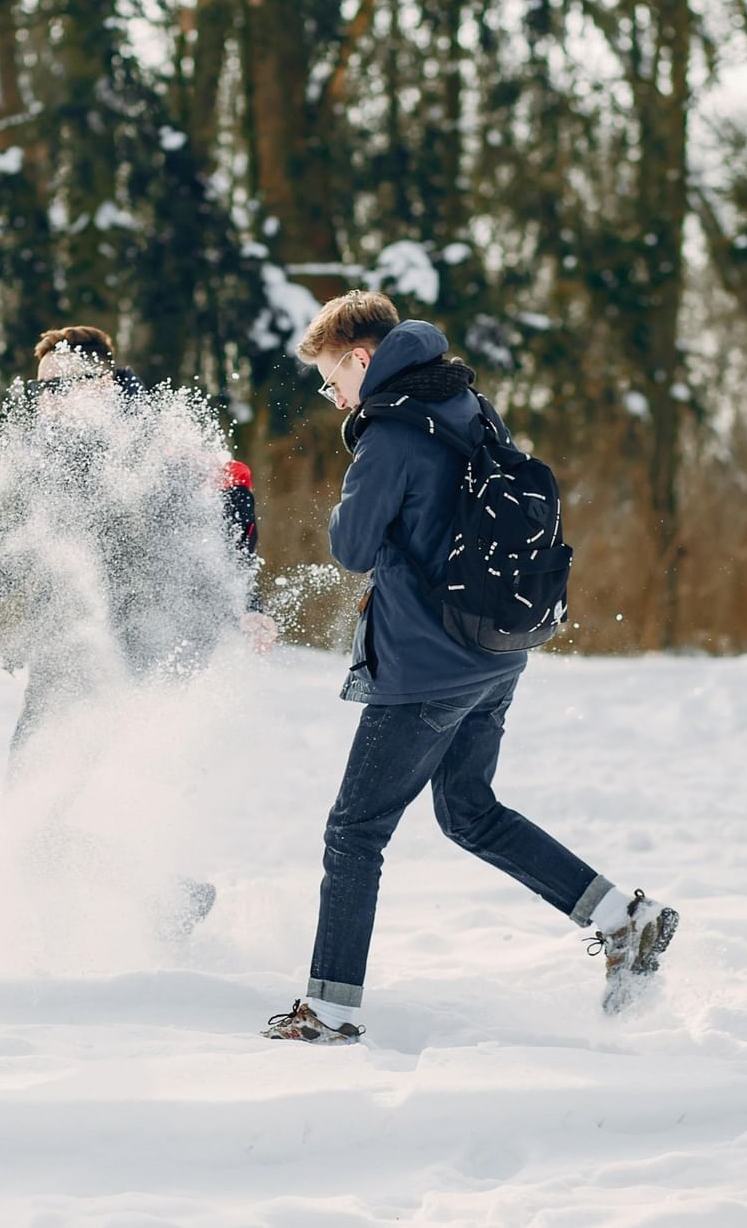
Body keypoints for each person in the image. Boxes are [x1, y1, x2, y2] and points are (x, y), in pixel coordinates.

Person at [262, 292, 677, 1044]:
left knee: (354, 834)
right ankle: (624, 917)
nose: (334, 400)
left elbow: (351, 547)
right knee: (469, 810)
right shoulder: (465, 403)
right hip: (493, 653)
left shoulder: (388, 433)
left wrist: (356, 487)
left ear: (360, 358)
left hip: (426, 669)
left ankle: (329, 1011)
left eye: (331, 381)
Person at [0, 326, 275, 768]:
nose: (47, 399)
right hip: (62, 646)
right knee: (32, 777)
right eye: (41, 387)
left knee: (111, 785)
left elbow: (219, 519)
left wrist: (247, 605)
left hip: (144, 649)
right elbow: (10, 566)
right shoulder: (50, 464)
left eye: (59, 386)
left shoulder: (156, 449)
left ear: (102, 385)